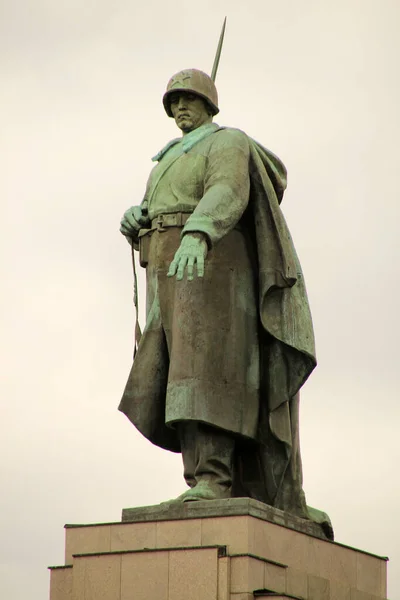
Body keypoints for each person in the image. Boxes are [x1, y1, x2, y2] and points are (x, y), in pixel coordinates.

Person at [119, 69, 332, 537]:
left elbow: (227, 190)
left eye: (189, 99)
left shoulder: (227, 141)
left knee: (205, 368)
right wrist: (139, 219)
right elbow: (159, 209)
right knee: (177, 372)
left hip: (213, 265)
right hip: (168, 268)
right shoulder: (163, 162)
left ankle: (214, 479)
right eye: (174, 102)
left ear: (210, 103)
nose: (180, 109)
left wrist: (199, 231)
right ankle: (200, 478)